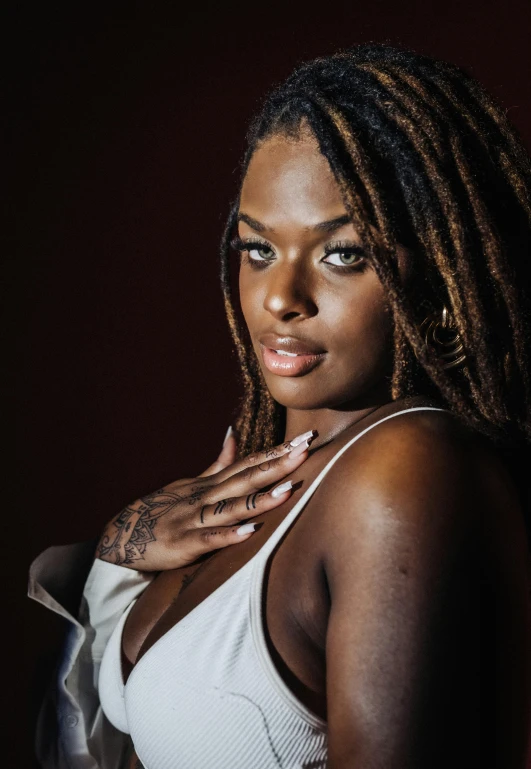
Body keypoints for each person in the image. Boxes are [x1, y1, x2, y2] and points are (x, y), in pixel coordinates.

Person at [28, 43, 531, 769]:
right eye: (257, 247)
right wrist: (122, 544)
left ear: (438, 274)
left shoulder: (403, 469)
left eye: (343, 254)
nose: (279, 298)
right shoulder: (258, 482)